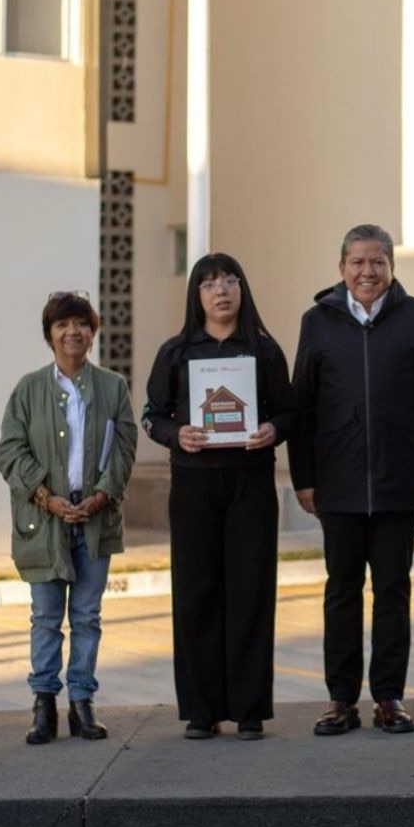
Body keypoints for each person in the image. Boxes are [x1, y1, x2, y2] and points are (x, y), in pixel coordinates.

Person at [290, 225, 414, 737]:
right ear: (341, 268)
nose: (367, 271)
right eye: (357, 262)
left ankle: (388, 697)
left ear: (391, 266)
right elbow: (302, 407)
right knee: (341, 592)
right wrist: (304, 478)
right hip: (336, 484)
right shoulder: (317, 322)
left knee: (393, 592)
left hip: (400, 482)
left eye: (377, 261)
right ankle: (340, 699)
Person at [141, 254, 294, 740]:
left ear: (242, 289)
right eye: (209, 284)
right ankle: (201, 710)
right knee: (196, 593)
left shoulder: (264, 351)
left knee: (251, 592)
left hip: (251, 484)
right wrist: (176, 434)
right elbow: (151, 415)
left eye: (230, 281)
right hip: (194, 485)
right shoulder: (176, 352)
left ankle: (250, 710)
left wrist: (272, 429)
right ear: (196, 295)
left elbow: (291, 412)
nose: (221, 291)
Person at [0, 292, 137, 745]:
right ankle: (43, 705)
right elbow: (9, 451)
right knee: (45, 617)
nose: (72, 332)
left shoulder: (113, 387)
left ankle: (82, 703)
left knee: (87, 616)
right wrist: (45, 496)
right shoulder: (28, 389)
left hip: (95, 518)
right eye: (62, 325)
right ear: (49, 335)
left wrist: (102, 495)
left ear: (92, 333)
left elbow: (125, 447)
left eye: (80, 324)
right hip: (44, 521)